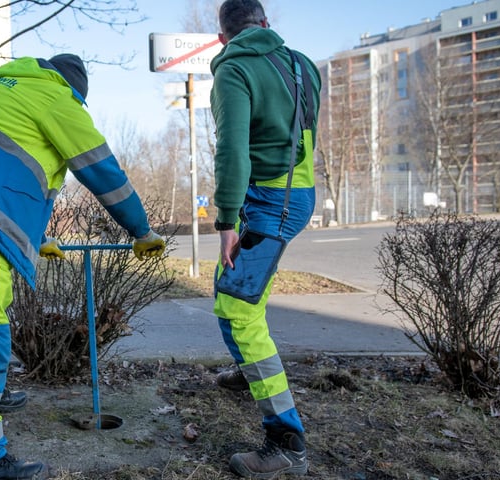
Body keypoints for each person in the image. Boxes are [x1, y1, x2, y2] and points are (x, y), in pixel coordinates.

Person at [0, 53, 164, 480]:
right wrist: (141, 230)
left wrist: (37, 237)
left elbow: (12, 172)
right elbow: (103, 170)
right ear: (75, 93)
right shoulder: (56, 99)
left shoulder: (3, 90)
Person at [209, 0, 321, 478]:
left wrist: (226, 221)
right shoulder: (302, 64)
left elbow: (231, 150)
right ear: (266, 25)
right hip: (299, 191)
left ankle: (286, 443)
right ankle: (250, 371)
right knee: (235, 297)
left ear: (222, 38)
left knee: (236, 310)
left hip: (268, 205)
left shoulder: (233, 72)